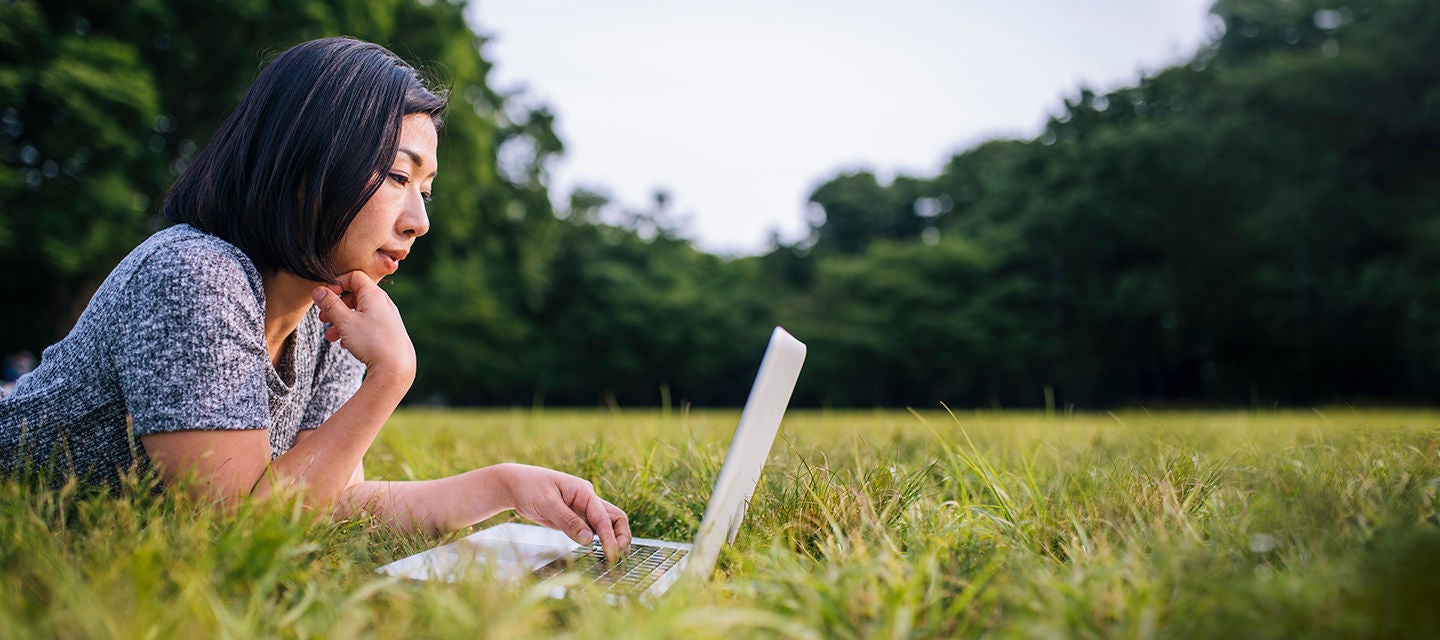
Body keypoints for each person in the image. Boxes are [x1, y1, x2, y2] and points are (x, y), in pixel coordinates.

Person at [0, 37, 630, 558]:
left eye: (426, 189)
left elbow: (325, 504)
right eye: (397, 176)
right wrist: (391, 376)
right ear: (306, 165)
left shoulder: (327, 311)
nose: (419, 219)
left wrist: (503, 485)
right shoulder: (194, 274)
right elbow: (235, 539)